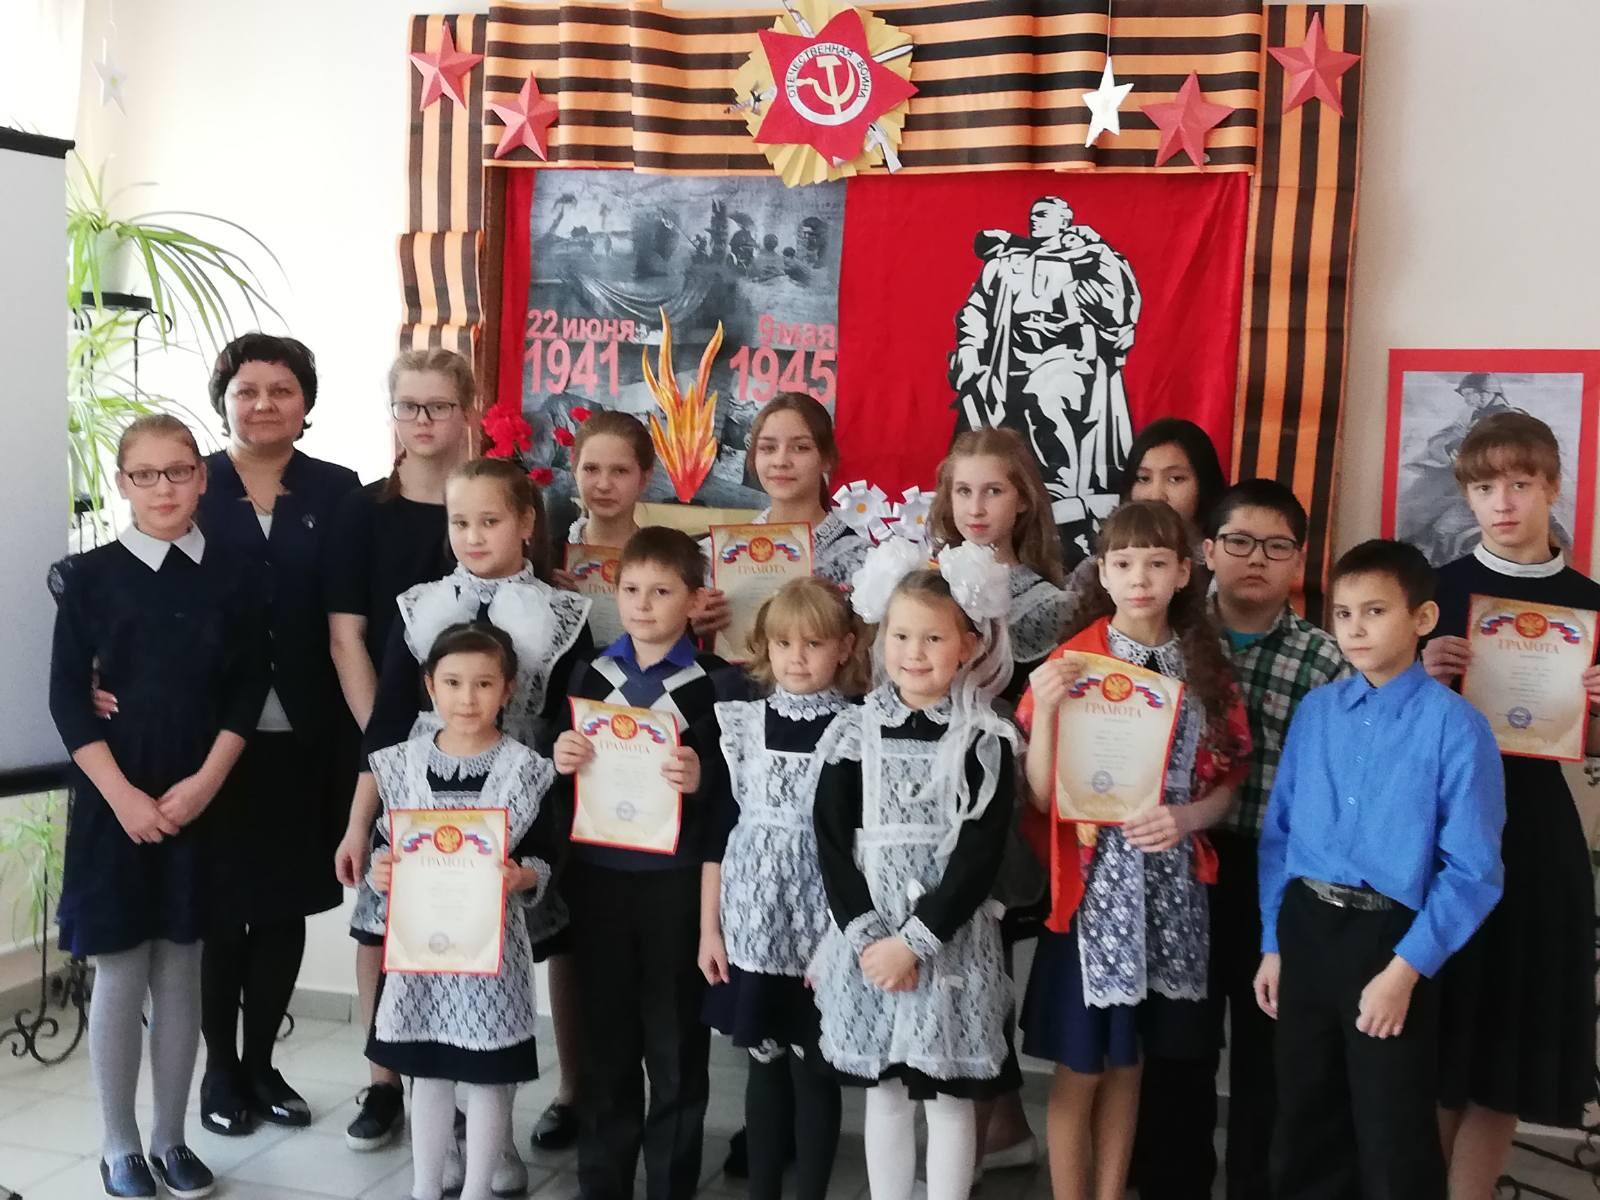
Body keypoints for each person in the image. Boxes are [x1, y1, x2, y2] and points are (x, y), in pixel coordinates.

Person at [339, 456, 591, 1193]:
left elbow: (573, 717)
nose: (474, 535)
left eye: (490, 520)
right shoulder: (421, 607)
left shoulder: (562, 612)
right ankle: (440, 1139)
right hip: (425, 804)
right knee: (428, 967)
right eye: (459, 522)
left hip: (517, 806)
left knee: (494, 986)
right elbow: (387, 724)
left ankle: (495, 1144)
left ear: (526, 523)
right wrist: (358, 825)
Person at [49, 415, 270, 1200]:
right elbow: (67, 701)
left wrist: (206, 783)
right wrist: (124, 800)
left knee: (182, 967)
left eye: (178, 471)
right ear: (123, 484)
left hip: (200, 796)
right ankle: (120, 1147)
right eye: (145, 474)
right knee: (119, 966)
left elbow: (248, 690)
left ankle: (172, 1139)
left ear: (202, 477)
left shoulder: (235, 573)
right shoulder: (88, 576)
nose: (164, 488)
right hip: (116, 802)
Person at [1256, 539, 1505, 1200]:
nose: (1356, 629)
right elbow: (1279, 836)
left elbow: (1473, 871)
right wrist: (1273, 943)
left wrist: (1404, 972)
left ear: (1423, 618)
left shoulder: (1457, 727)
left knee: (1391, 1129)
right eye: (1343, 614)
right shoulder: (1316, 713)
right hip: (1306, 927)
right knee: (1304, 1118)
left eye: (1375, 611)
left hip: (1391, 940)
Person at [1019, 500, 1249, 1200]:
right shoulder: (1073, 660)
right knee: (1083, 1066)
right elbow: (1041, 795)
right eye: (1123, 563)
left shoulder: (1207, 666)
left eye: (1156, 562)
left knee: (1131, 1062)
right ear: (1103, 572)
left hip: (1171, 887)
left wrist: (1188, 817)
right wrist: (1047, 706)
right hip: (1095, 893)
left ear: (1184, 571)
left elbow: (1228, 781)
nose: (1140, 578)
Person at [164, 333, 360, 1136]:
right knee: (220, 908)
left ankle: (261, 1066)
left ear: (306, 403)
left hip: (308, 733)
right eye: (247, 390)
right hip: (210, 738)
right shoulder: (193, 482)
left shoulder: (338, 490)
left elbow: (351, 613)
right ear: (224, 401)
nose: (265, 404)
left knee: (284, 904)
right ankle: (220, 1071)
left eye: (282, 389)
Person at [1420, 413, 1600, 1198]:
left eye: (1520, 483)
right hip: (1442, 831)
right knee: (1440, 1043)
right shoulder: (1435, 592)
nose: (1503, 502)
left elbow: (1588, 746)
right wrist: (1422, 675)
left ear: (1552, 487)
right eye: (1485, 486)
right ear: (1466, 493)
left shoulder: (1590, 603)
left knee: (1508, 1051)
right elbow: (1384, 724)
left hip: (1536, 838)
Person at [809, 541, 1022, 1200]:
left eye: (934, 637)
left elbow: (979, 855)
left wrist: (916, 942)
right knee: (887, 1091)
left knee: (950, 1093)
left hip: (949, 942)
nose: (915, 652)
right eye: (901, 635)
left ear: (968, 645)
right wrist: (872, 940)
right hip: (870, 943)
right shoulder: (853, 733)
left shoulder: (983, 739)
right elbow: (830, 843)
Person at [1159, 479, 1346, 1200]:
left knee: (1272, 1050)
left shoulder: (1326, 659)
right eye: (1239, 542)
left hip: (1283, 875)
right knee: (1181, 1042)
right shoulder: (1169, 641)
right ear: (1207, 551)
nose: (1256, 559)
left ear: (1298, 560)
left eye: (1276, 546)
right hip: (1184, 864)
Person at [552, 526, 744, 1200]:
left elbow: (737, 791)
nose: (642, 603)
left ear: (694, 601)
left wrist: (703, 776)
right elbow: (560, 766)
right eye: (631, 589)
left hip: (676, 883)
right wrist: (561, 757)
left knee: (675, 1043)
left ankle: (670, 1184)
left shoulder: (719, 685)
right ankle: (602, 1182)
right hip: (598, 878)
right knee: (605, 1040)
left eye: (662, 591)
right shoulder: (588, 675)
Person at [325, 347, 471, 1151]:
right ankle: (383, 1079)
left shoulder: (492, 500)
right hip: (387, 739)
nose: (422, 420)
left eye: (437, 405)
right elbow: (346, 636)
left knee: (465, 910)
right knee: (380, 921)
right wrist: (385, 747)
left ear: (466, 412)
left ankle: (457, 1075)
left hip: (478, 739)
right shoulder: (362, 511)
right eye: (408, 405)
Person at [365, 624, 561, 1200]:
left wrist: (525, 875)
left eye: (483, 684)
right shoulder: (400, 765)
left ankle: (478, 1187)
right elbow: (386, 843)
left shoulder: (527, 770)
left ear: (508, 689)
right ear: (430, 686)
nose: (467, 698)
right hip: (421, 956)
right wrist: (381, 870)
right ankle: (425, 1187)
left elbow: (547, 852)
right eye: (452, 683)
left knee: (488, 1076)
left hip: (492, 955)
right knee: (427, 1071)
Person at [699, 577, 870, 1200]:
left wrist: (847, 937)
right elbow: (719, 831)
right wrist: (709, 929)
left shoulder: (858, 727)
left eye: (813, 644)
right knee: (763, 1063)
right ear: (764, 648)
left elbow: (861, 840)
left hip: (824, 927)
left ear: (844, 648)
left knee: (815, 1067)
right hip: (752, 924)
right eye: (783, 644)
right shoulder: (742, 723)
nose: (796, 658)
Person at [948, 195, 1141, 556]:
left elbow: (1118, 306)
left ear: (1064, 222)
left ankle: (1062, 505)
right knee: (983, 425)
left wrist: (1086, 274)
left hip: (1066, 358)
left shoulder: (1089, 258)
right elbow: (976, 311)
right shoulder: (1006, 262)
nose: (1036, 220)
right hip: (1008, 361)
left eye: (1045, 215)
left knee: (1047, 397)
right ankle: (991, 519)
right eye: (1034, 215)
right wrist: (971, 350)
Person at [694, 392, 871, 641]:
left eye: (801, 448)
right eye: (768, 448)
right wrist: (696, 629)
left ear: (827, 459)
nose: (780, 461)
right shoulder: (714, 554)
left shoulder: (863, 560)